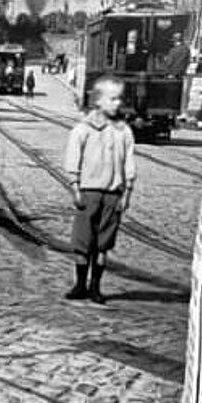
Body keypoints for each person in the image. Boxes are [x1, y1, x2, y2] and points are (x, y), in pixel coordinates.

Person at [62, 75, 135, 304]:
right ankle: (80, 285)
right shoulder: (83, 129)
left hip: (112, 194)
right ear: (99, 101)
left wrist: (127, 192)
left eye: (119, 99)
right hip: (89, 192)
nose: (117, 104)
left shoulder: (124, 131)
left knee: (103, 243)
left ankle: (96, 287)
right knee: (83, 241)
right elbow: (73, 160)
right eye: (112, 99)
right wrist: (75, 189)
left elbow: (129, 163)